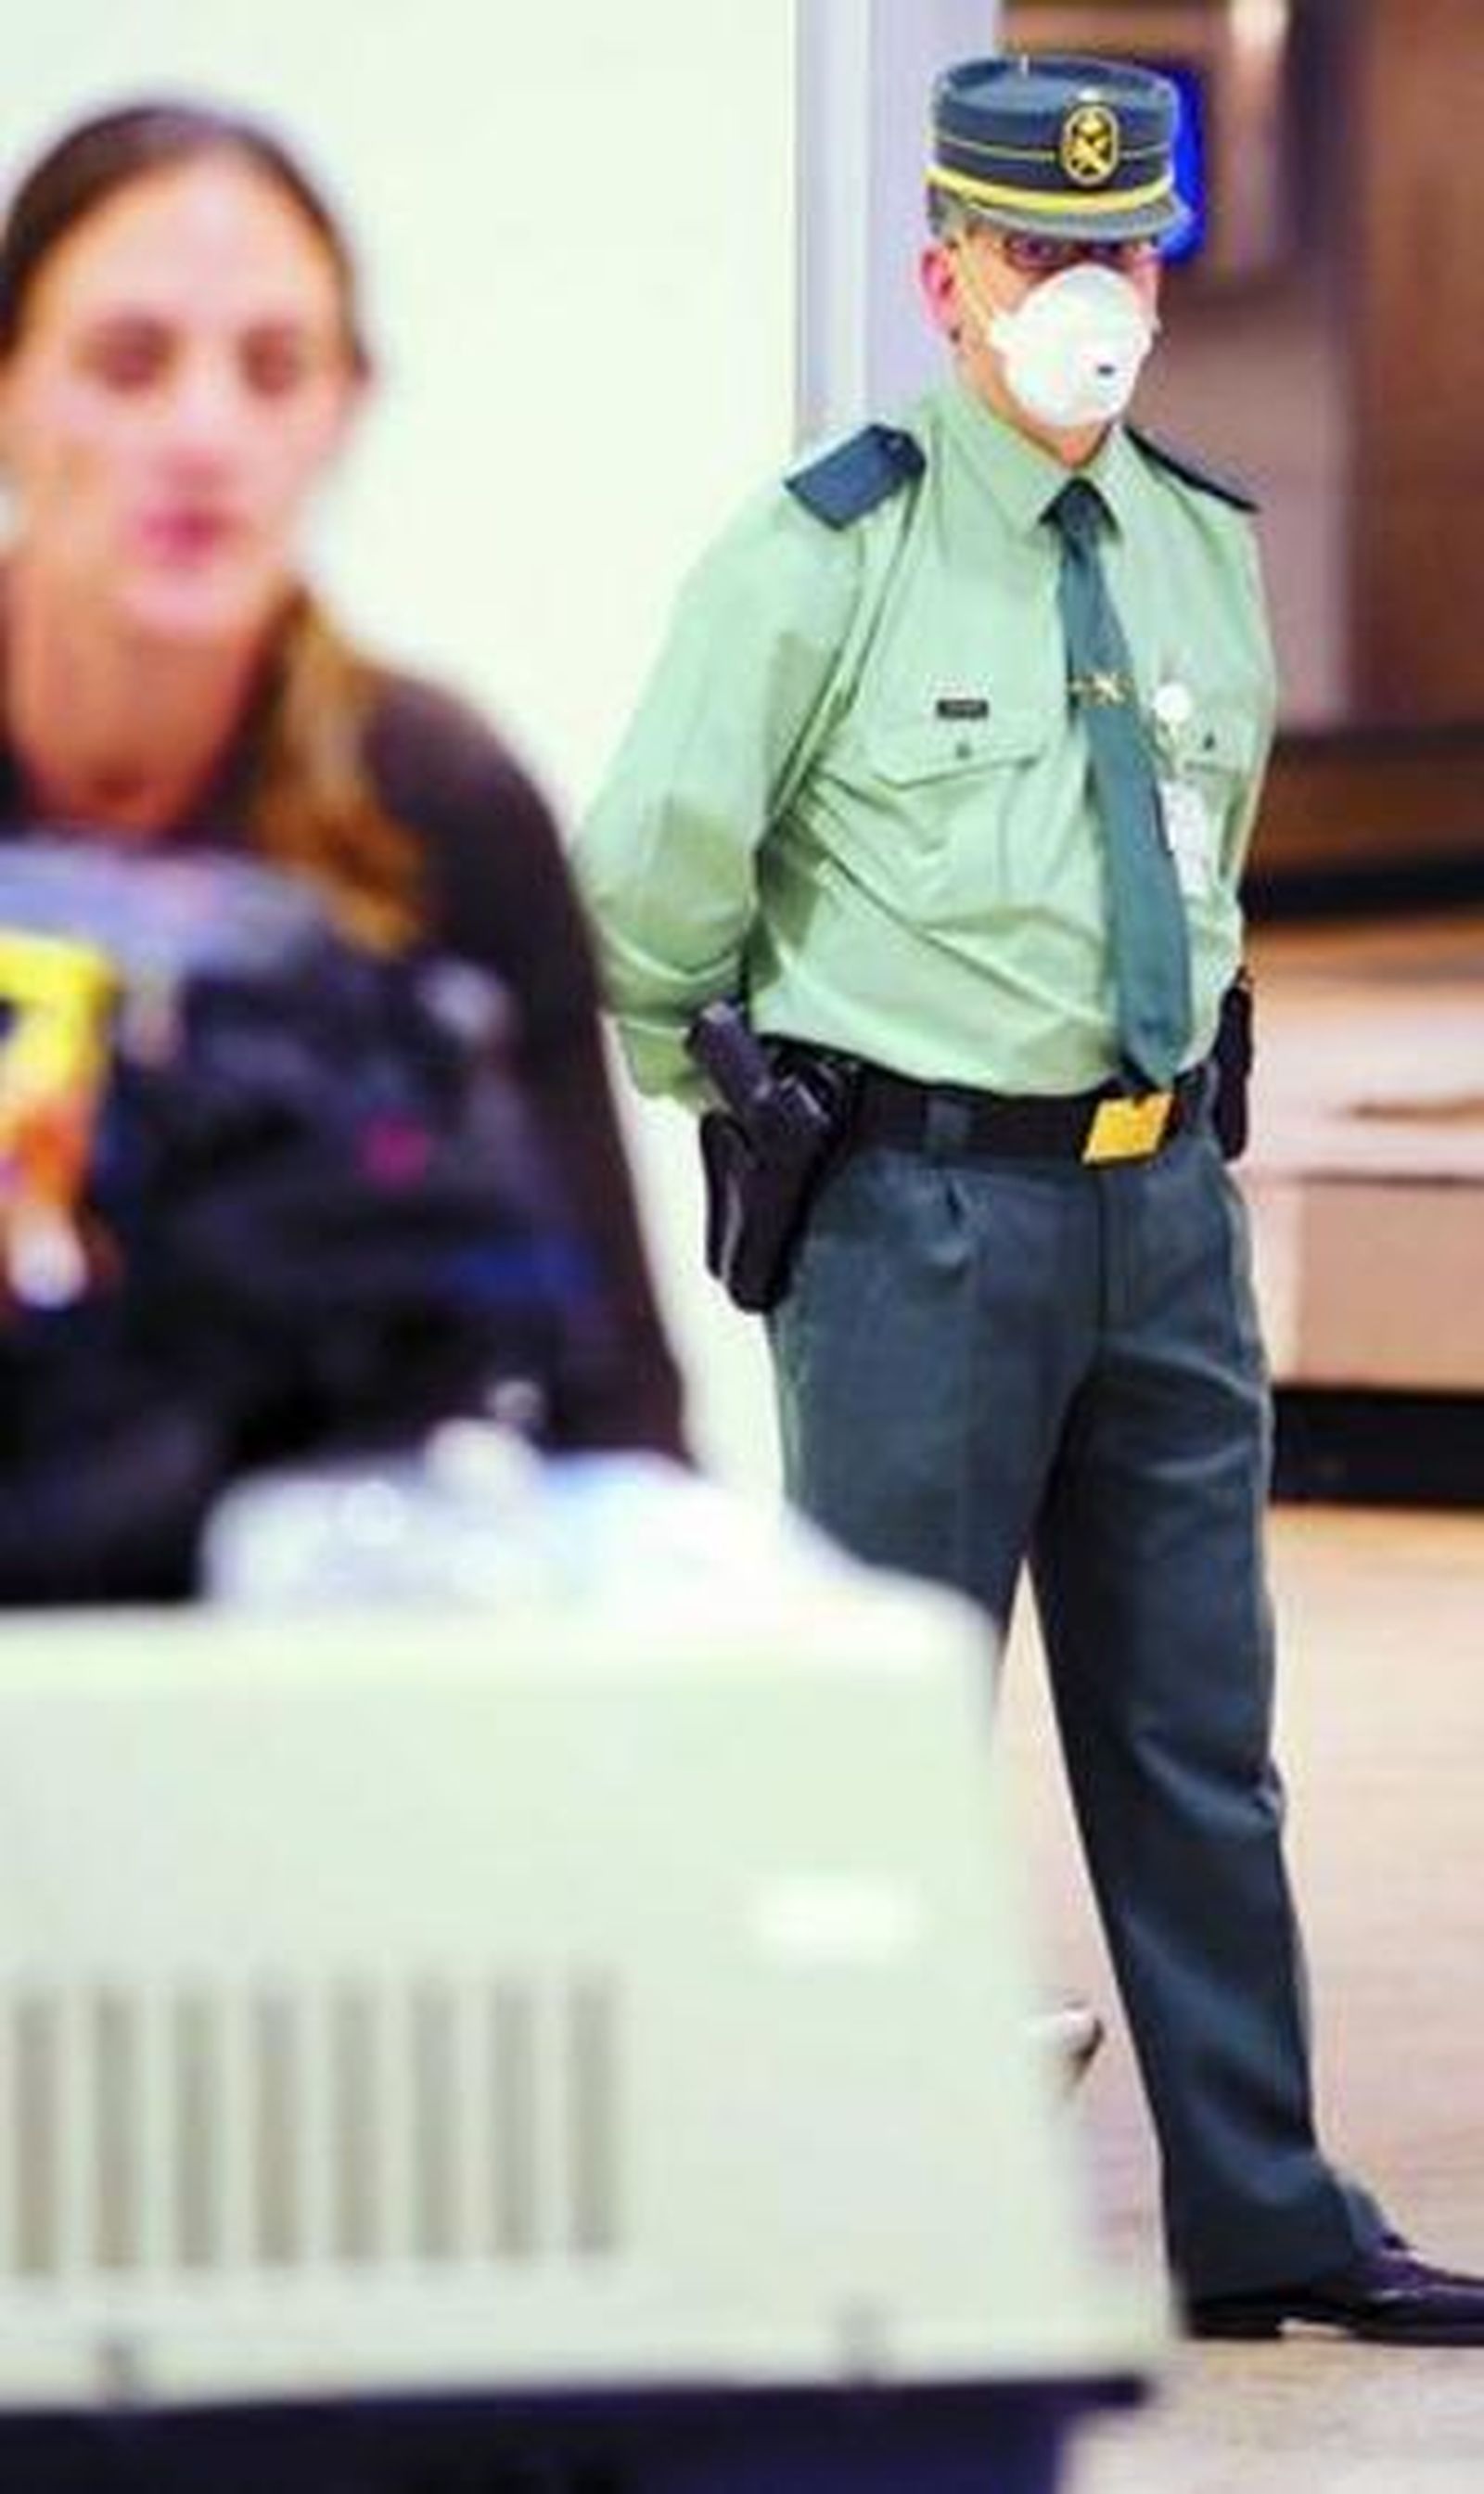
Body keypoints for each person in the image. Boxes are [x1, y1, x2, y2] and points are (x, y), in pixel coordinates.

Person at [576, 52, 1484, 2342]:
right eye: (1037, 253)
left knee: (1196, 1733)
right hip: (913, 1222)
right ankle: (825, 2206)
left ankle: (1258, 2207)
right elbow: (642, 890)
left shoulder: (1197, 539)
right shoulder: (826, 546)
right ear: (944, 275)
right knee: (869, 1734)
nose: (1084, 293)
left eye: (1120, 254)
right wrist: (757, 1095)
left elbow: (1199, 852)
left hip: (1157, 1212)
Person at [0, 96, 685, 1477]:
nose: (203, 433)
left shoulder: (447, 801)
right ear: (12, 394)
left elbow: (615, 1416)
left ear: (343, 408)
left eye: (273, 367)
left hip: (319, 1636)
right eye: (128, 364)